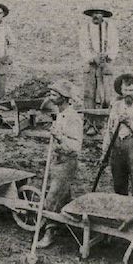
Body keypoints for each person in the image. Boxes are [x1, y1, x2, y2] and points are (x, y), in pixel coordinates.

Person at [37, 80, 83, 249]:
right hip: (57, 160)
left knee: (52, 197)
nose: (51, 97)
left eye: (54, 95)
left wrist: (59, 137)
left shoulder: (73, 118)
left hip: (67, 162)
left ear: (64, 98)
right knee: (63, 195)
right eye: (51, 93)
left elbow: (76, 147)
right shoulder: (60, 113)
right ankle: (64, 225)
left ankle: (49, 233)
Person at [100, 73, 133, 198]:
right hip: (117, 147)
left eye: (131, 90)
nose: (128, 93)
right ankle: (122, 212)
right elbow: (109, 130)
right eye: (125, 90)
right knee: (118, 183)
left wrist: (131, 123)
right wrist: (105, 152)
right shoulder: (116, 105)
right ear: (121, 90)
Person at [79, 8, 119, 135]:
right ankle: (90, 124)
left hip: (105, 64)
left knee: (106, 96)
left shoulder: (110, 28)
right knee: (89, 95)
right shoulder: (85, 29)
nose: (96, 16)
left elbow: (114, 45)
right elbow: (83, 46)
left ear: (103, 16)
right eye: (94, 13)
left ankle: (103, 124)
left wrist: (107, 56)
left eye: (99, 13)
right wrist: (92, 58)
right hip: (90, 65)